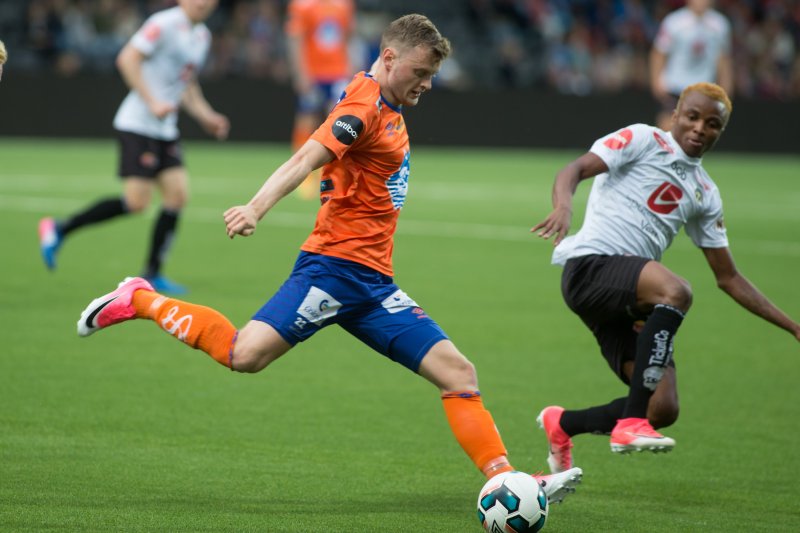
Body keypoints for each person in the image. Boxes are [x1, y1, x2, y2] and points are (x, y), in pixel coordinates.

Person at [76, 14, 582, 502]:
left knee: (459, 375)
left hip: (374, 286)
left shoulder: (387, 101)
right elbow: (304, 158)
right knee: (243, 356)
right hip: (332, 272)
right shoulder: (361, 110)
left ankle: (507, 480)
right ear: (389, 57)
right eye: (421, 72)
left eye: (432, 76)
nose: (427, 84)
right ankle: (139, 299)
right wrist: (255, 208)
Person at [531, 82, 800, 474]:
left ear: (720, 132)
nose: (699, 128)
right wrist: (565, 206)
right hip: (591, 267)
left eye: (712, 124)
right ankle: (631, 423)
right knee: (676, 291)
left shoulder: (706, 193)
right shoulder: (643, 139)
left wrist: (792, 326)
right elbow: (574, 169)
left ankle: (564, 423)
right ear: (675, 115)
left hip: (626, 294)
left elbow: (729, 279)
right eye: (691, 117)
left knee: (663, 407)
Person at [38, 0, 230, 294]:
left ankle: (152, 273)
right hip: (138, 125)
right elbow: (127, 59)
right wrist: (152, 101)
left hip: (165, 129)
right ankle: (60, 229)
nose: (202, 2)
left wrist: (207, 116)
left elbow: (186, 84)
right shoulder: (164, 23)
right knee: (137, 202)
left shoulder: (201, 36)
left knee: (177, 196)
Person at [285, 0, 356, 199]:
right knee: (306, 120)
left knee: (339, 123)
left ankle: (336, 173)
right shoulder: (301, 5)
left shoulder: (345, 5)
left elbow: (348, 37)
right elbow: (295, 39)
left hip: (338, 73)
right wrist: (300, 72)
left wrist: (351, 67)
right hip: (314, 74)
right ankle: (304, 175)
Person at [650, 0, 733, 132]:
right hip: (675, 85)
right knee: (667, 127)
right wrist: (656, 81)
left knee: (698, 131)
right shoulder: (674, 22)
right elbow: (659, 53)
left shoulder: (720, 24)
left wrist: (726, 87)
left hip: (703, 89)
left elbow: (723, 58)